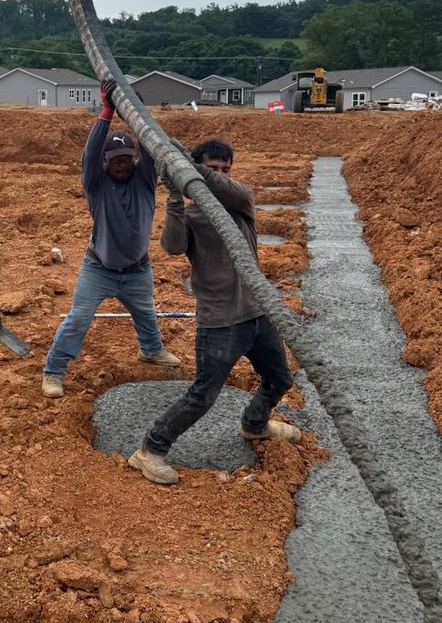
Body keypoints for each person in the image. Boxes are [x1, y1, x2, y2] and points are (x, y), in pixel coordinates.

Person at [129, 137, 300, 485]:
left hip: (258, 314)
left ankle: (254, 424)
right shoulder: (192, 216)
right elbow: (173, 246)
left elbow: (227, 188)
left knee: (280, 378)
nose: (219, 175)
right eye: (213, 167)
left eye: (224, 169)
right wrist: (176, 196)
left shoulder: (241, 205)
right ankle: (150, 450)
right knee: (203, 395)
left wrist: (190, 167)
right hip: (221, 322)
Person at [41, 80, 181, 397]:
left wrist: (137, 112)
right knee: (77, 320)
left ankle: (150, 350)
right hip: (99, 269)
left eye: (126, 158)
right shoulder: (97, 185)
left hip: (137, 270)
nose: (122, 164)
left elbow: (149, 147)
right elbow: (89, 154)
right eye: (115, 159)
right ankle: (53, 371)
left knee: (146, 314)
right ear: (105, 163)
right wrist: (106, 113)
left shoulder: (145, 180)